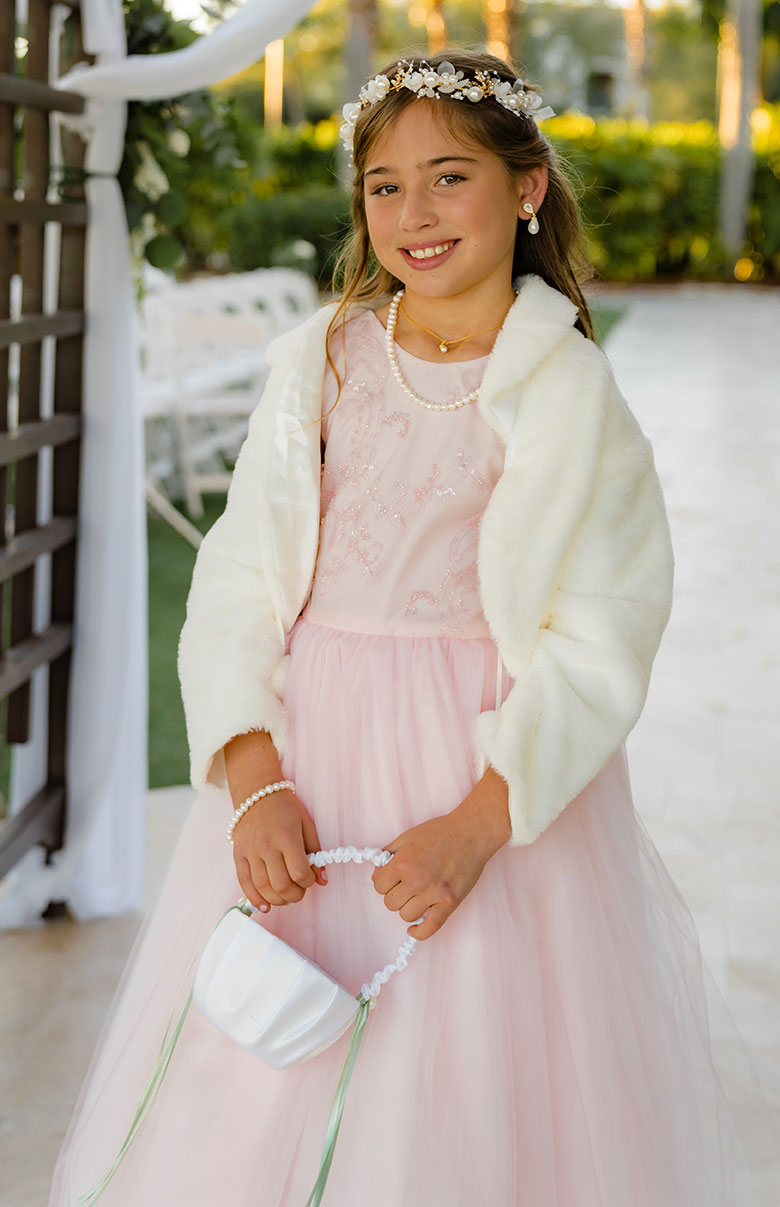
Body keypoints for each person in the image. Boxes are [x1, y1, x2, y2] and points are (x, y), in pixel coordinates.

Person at [50, 49, 775, 1207]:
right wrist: (251, 773)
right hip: (308, 765)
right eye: (384, 186)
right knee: (260, 1069)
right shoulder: (324, 364)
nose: (414, 215)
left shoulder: (573, 397)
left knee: (458, 1084)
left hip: (475, 781)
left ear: (526, 188)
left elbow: (603, 637)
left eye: (449, 178)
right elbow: (237, 580)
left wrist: (482, 824)